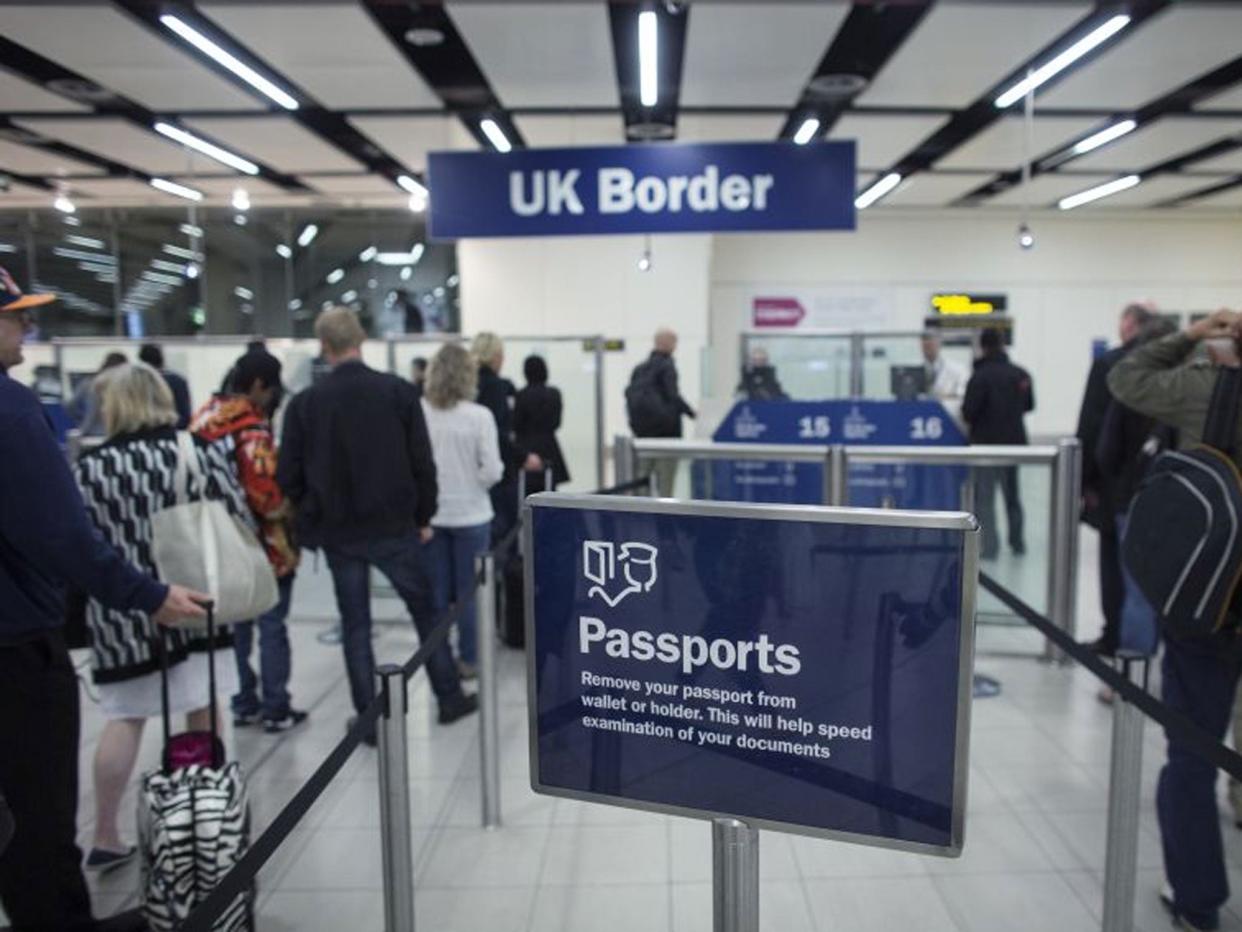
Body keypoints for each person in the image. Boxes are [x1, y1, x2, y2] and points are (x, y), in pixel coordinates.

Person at [0, 268, 204, 932]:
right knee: (36, 813)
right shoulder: (12, 411)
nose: (27, 327)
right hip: (17, 649)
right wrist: (145, 594)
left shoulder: (88, 458)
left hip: (80, 637)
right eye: (15, 316)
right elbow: (60, 534)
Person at [74, 362, 248, 872]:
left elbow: (79, 542)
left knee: (123, 718)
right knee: (201, 707)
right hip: (194, 603)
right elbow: (232, 513)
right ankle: (201, 819)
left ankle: (105, 832)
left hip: (121, 610)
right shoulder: (193, 450)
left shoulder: (89, 467)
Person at [278, 307, 475, 733]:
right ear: (361, 339)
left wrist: (313, 510)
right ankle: (449, 697)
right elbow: (423, 463)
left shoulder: (306, 404)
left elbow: (287, 475)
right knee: (428, 613)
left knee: (356, 626)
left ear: (324, 347)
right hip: (395, 527)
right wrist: (424, 515)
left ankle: (371, 719)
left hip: (339, 533)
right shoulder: (399, 393)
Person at [1108, 308, 1242, 932]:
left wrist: (1189, 335)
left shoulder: (1205, 390)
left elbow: (1127, 375)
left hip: (1211, 605)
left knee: (1191, 753)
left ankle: (1197, 901)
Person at [192, 349, 306, 733]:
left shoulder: (204, 416)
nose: (274, 399)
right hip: (263, 548)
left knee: (237, 627)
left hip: (218, 543)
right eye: (272, 391)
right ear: (259, 386)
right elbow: (267, 498)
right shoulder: (252, 429)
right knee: (272, 625)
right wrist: (294, 508)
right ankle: (276, 707)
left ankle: (244, 702)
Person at [1075, 302, 1157, 655]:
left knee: (1115, 564)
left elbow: (1093, 427)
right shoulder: (1177, 369)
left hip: (1118, 484)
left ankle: (1117, 638)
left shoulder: (1113, 365)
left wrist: (1084, 482)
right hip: (1168, 485)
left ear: (1128, 324)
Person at [420, 343, 504, 678]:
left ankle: (440, 661)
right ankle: (471, 659)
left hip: (433, 517)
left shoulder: (420, 411)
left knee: (437, 597)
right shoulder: (479, 416)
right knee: (471, 594)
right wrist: (474, 483)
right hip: (472, 514)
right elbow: (493, 470)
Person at [961, 328, 1034, 560]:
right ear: (1003, 345)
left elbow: (968, 411)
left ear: (982, 347)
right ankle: (1017, 542)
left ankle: (990, 546)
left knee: (986, 497)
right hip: (1014, 444)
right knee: (1012, 495)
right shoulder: (1020, 374)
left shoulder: (979, 376)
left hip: (986, 446)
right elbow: (1029, 405)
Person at [473, 332, 540, 543]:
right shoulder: (496, 387)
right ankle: (501, 573)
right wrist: (522, 457)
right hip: (499, 470)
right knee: (504, 528)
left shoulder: (469, 386)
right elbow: (498, 433)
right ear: (495, 356)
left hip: (473, 468)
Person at [626, 327, 696, 496]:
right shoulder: (667, 366)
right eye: (674, 342)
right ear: (668, 343)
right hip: (667, 434)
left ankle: (640, 513)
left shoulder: (639, 369)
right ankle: (664, 516)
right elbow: (673, 396)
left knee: (641, 477)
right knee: (666, 479)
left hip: (643, 434)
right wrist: (693, 414)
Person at [514, 354, 570, 493]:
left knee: (526, 493)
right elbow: (557, 423)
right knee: (550, 494)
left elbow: (516, 424)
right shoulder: (554, 394)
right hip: (549, 447)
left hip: (525, 448)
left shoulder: (521, 395)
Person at [67, 351, 126, 437]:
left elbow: (70, 405)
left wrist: (80, 418)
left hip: (88, 432)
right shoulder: (122, 387)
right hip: (113, 433)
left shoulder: (88, 382)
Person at [138, 342, 192, 428]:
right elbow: (185, 416)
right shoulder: (178, 380)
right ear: (162, 359)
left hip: (144, 432)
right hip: (173, 431)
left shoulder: (137, 382)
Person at [921, 332, 968, 401]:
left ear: (939, 344)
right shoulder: (916, 369)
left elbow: (961, 395)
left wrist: (944, 396)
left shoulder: (958, 369)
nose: (928, 347)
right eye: (925, 345)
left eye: (930, 343)